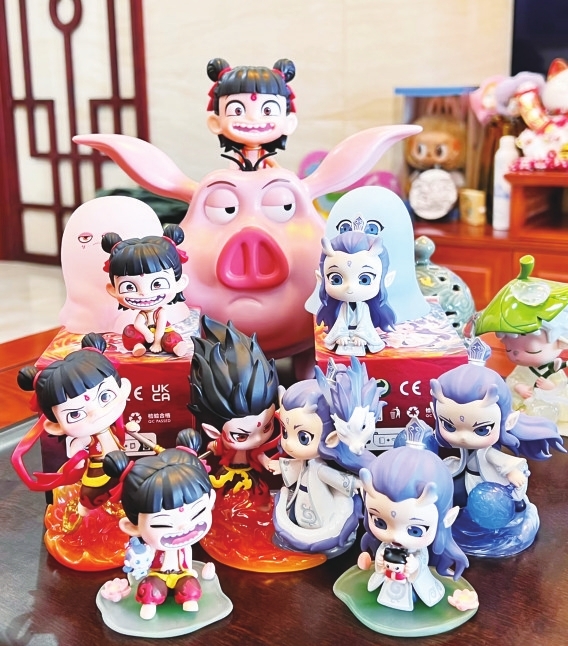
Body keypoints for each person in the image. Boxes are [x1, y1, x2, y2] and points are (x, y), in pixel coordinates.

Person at [14, 332, 130, 520]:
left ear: (123, 387)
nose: (95, 413)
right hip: (98, 470)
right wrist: (78, 458)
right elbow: (76, 453)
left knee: (127, 488)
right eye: (75, 414)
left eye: (105, 396)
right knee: (90, 498)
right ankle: (82, 517)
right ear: (55, 426)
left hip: (122, 464)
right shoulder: (88, 438)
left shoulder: (114, 428)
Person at [104, 429, 216, 620]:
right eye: (162, 524)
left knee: (190, 588)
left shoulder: (185, 546)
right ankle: (150, 604)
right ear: (132, 527)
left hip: (183, 573)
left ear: (211, 500)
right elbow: (140, 561)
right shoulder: (151, 549)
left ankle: (188, 601)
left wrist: (195, 571)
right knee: (149, 590)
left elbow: (188, 563)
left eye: (198, 512)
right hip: (157, 574)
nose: (183, 527)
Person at [356, 442, 468, 611]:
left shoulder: (418, 551)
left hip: (411, 580)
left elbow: (421, 560)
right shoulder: (386, 545)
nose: (395, 536)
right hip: (388, 578)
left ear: (448, 518)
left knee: (412, 592)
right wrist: (379, 561)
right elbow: (381, 555)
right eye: (380, 522)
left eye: (415, 530)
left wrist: (414, 566)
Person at [189, 316, 280, 499]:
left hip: (250, 476)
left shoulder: (255, 448)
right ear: (212, 431)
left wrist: (269, 463)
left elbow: (260, 456)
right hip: (227, 473)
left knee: (254, 496)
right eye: (241, 436)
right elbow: (214, 448)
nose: (257, 439)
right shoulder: (221, 441)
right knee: (224, 495)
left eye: (267, 427)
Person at [102, 224, 189, 357]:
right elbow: (138, 324)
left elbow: (160, 328)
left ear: (179, 283)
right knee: (130, 332)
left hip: (162, 334)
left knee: (170, 338)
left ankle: (177, 346)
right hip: (145, 336)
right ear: (112, 290)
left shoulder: (160, 312)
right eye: (129, 287)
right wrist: (147, 334)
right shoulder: (142, 314)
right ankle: (138, 346)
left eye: (157, 284)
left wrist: (157, 343)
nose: (144, 293)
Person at [206, 57, 298, 169]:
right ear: (215, 123)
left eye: (267, 111)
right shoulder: (240, 155)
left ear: (289, 123)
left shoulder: (264, 155)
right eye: (237, 111)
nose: (253, 118)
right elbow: (233, 170)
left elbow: (276, 167)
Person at [316, 231, 395, 354]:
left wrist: (362, 336)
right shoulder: (343, 307)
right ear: (321, 279)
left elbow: (365, 323)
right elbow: (340, 322)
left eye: (365, 279)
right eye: (336, 279)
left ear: (385, 280)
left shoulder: (364, 307)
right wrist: (341, 335)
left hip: (361, 337)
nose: (350, 287)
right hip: (344, 336)